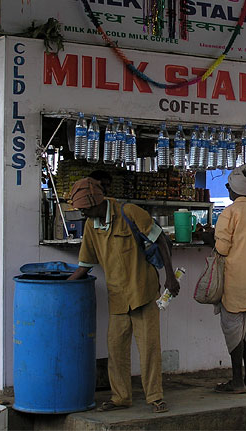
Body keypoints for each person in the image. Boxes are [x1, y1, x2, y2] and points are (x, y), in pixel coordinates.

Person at [67, 177, 179, 413]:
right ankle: (121, 397)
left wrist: (170, 276)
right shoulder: (91, 226)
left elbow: (160, 240)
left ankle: (155, 397)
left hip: (143, 292)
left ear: (97, 202)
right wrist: (64, 286)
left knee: (149, 348)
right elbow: (85, 264)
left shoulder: (129, 212)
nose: (84, 214)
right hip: (117, 297)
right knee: (116, 349)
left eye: (86, 209)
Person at [214, 165, 246, 394]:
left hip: (234, 279)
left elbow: (222, 248)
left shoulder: (229, 212)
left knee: (233, 331)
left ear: (232, 189)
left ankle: (236, 381)